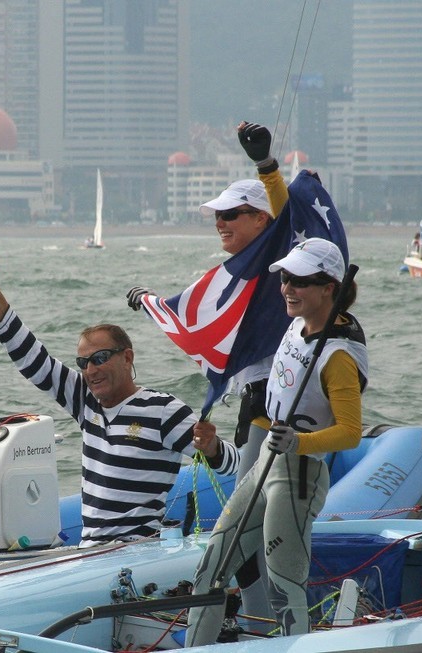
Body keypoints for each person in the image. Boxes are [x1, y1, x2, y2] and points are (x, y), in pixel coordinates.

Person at [126, 120, 289, 618]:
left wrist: (265, 166)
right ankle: (263, 616)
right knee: (247, 523)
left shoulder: (284, 259)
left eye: (232, 214)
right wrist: (154, 303)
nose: (220, 222)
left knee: (246, 525)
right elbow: (196, 318)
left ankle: (269, 623)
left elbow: (291, 217)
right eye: (216, 216)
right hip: (251, 402)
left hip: (279, 402)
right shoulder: (232, 278)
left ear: (262, 219)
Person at [0, 251, 234, 546]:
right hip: (90, 549)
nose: (91, 370)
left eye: (100, 358)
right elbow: (32, 358)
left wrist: (212, 447)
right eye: (83, 363)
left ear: (127, 358)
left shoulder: (162, 410)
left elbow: (230, 465)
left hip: (138, 549)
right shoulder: (85, 400)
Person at [184, 238, 368, 645]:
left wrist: (297, 442)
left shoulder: (337, 356)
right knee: (210, 569)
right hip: (267, 461)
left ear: (329, 289)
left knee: (284, 588)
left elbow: (351, 433)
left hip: (297, 476)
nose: (287, 288)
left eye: (300, 281)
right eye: (285, 278)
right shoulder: (297, 323)